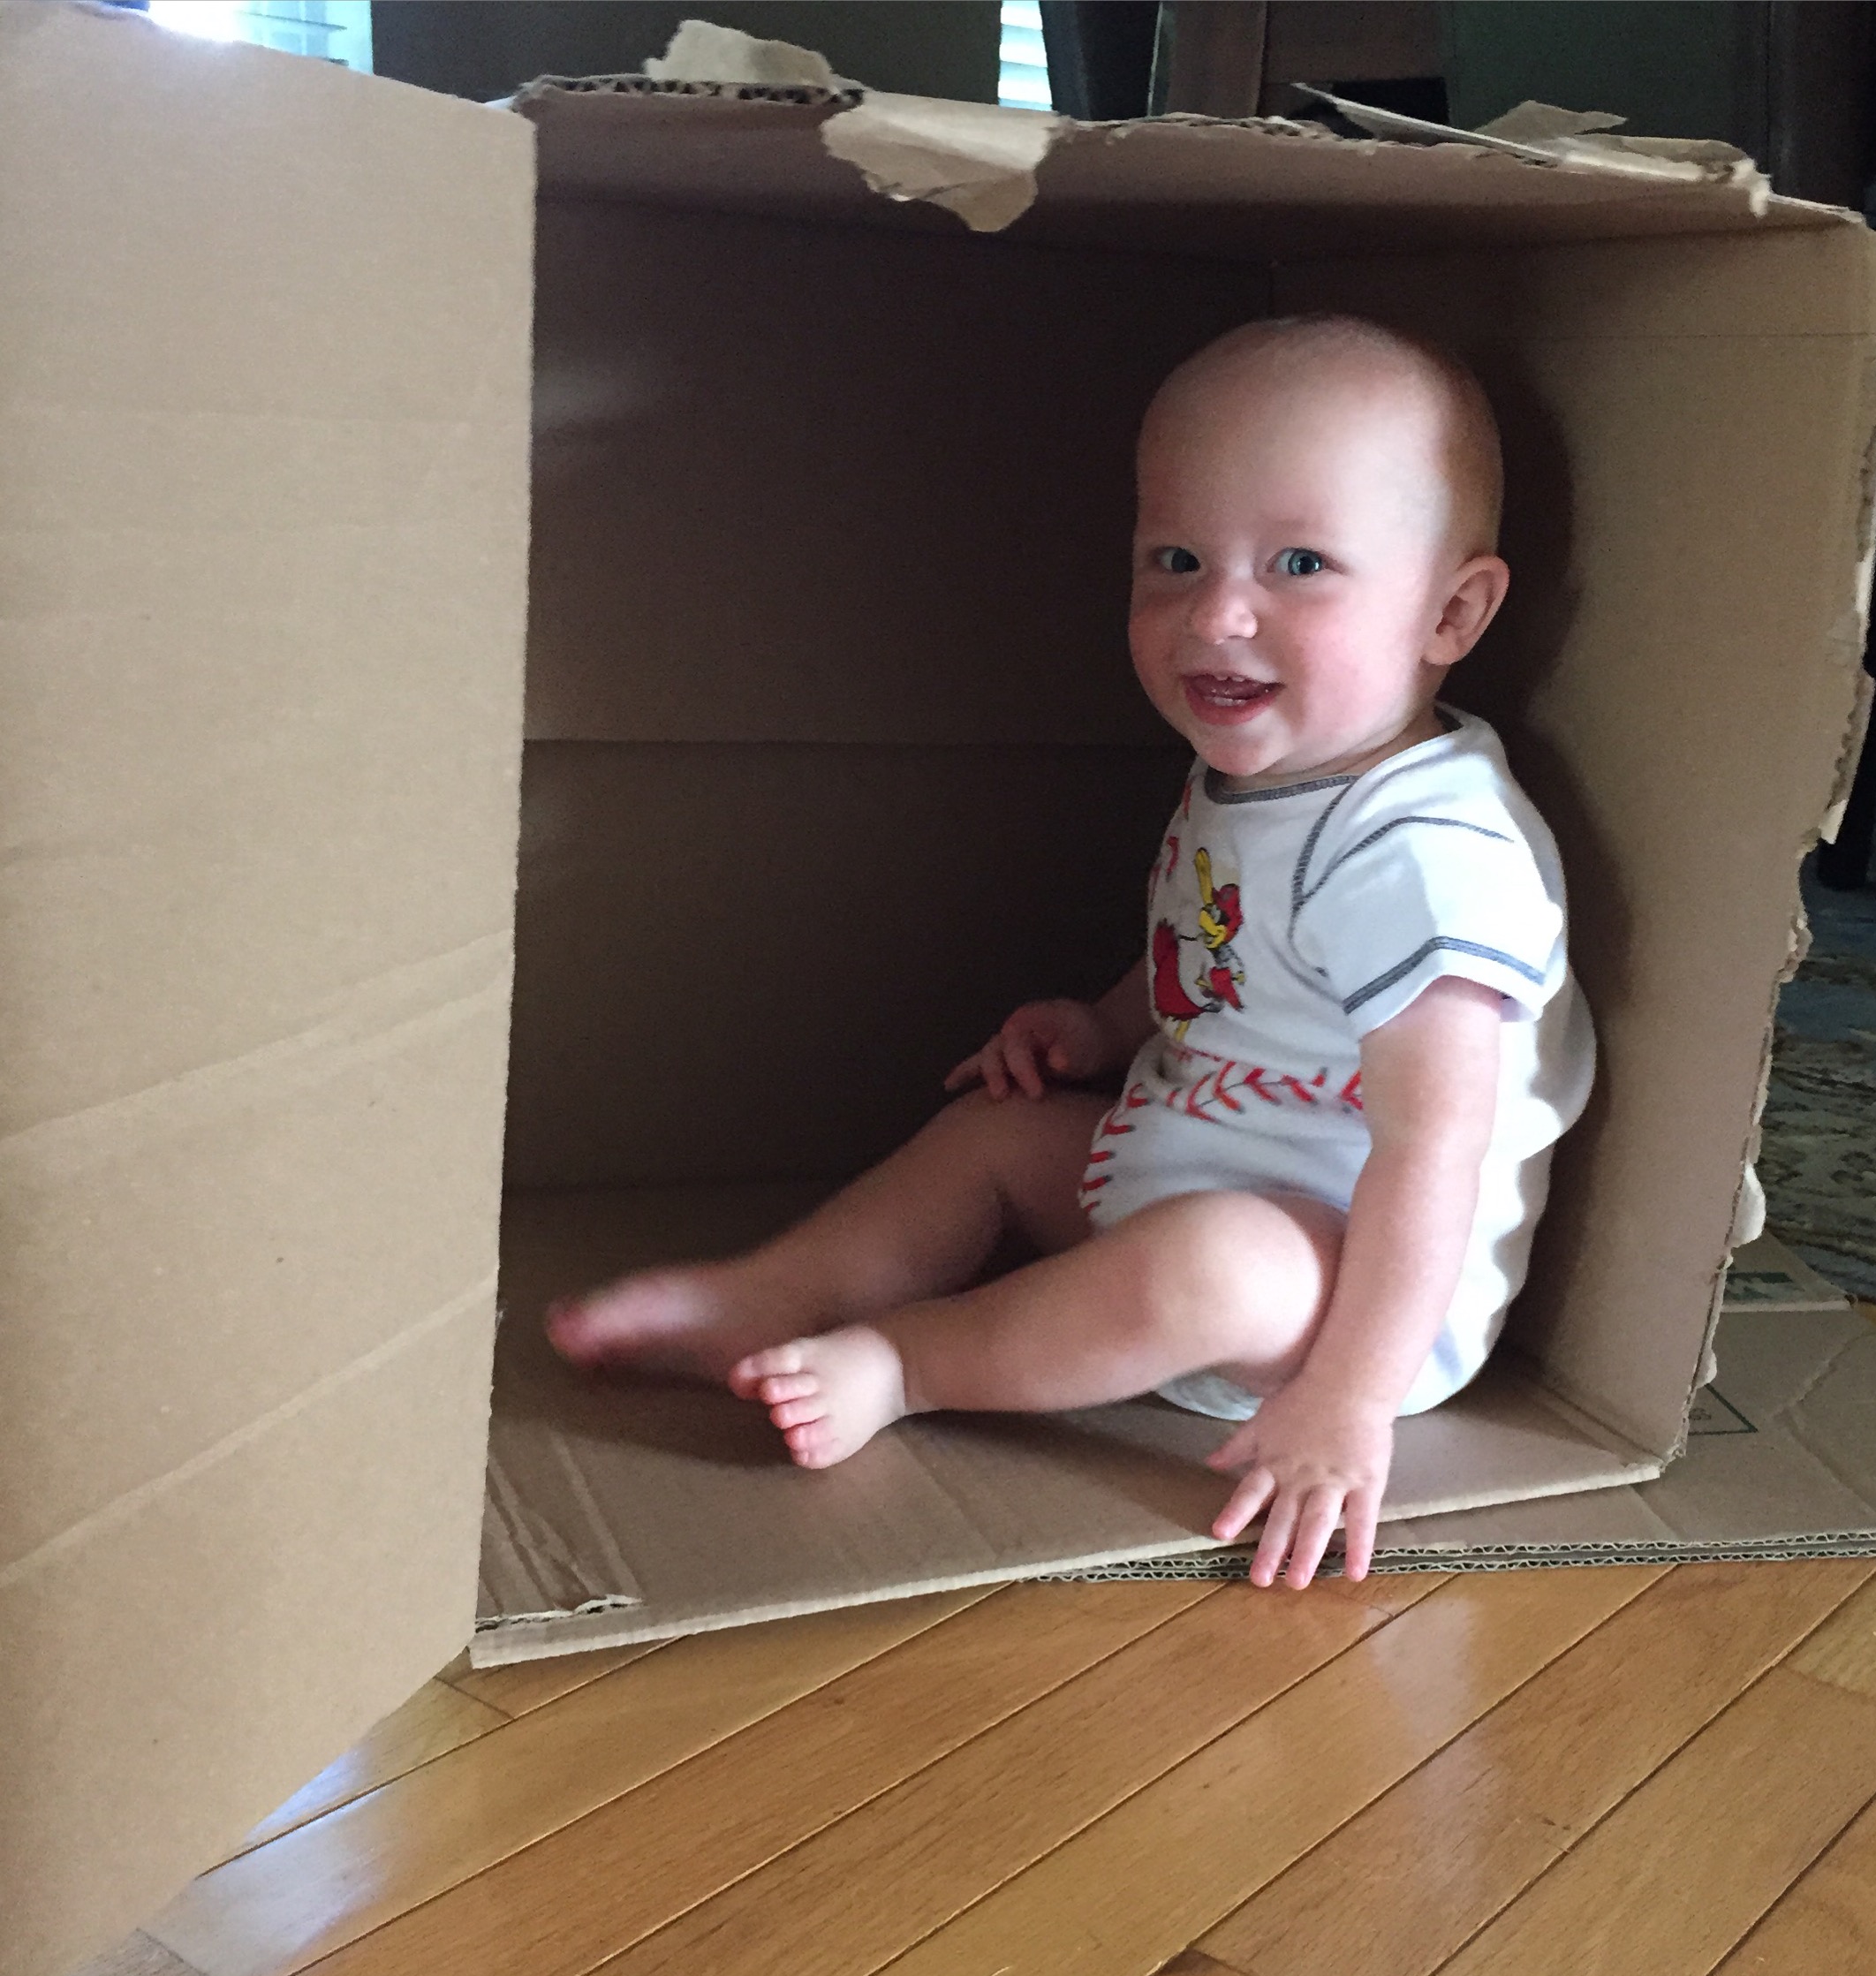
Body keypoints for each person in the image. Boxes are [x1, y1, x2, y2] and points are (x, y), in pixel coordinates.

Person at [547, 314, 1594, 1590]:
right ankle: (771, 1293)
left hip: (1337, 1285)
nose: (1219, 613)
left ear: (1452, 610)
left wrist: (1353, 1401)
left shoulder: (1424, 853)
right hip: (1180, 1151)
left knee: (1203, 1268)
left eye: (1302, 563)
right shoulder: (1264, 772)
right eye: (1176, 556)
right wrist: (1108, 1030)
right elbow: (1224, 969)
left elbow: (1440, 1144)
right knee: (991, 1136)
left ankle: (911, 1360)